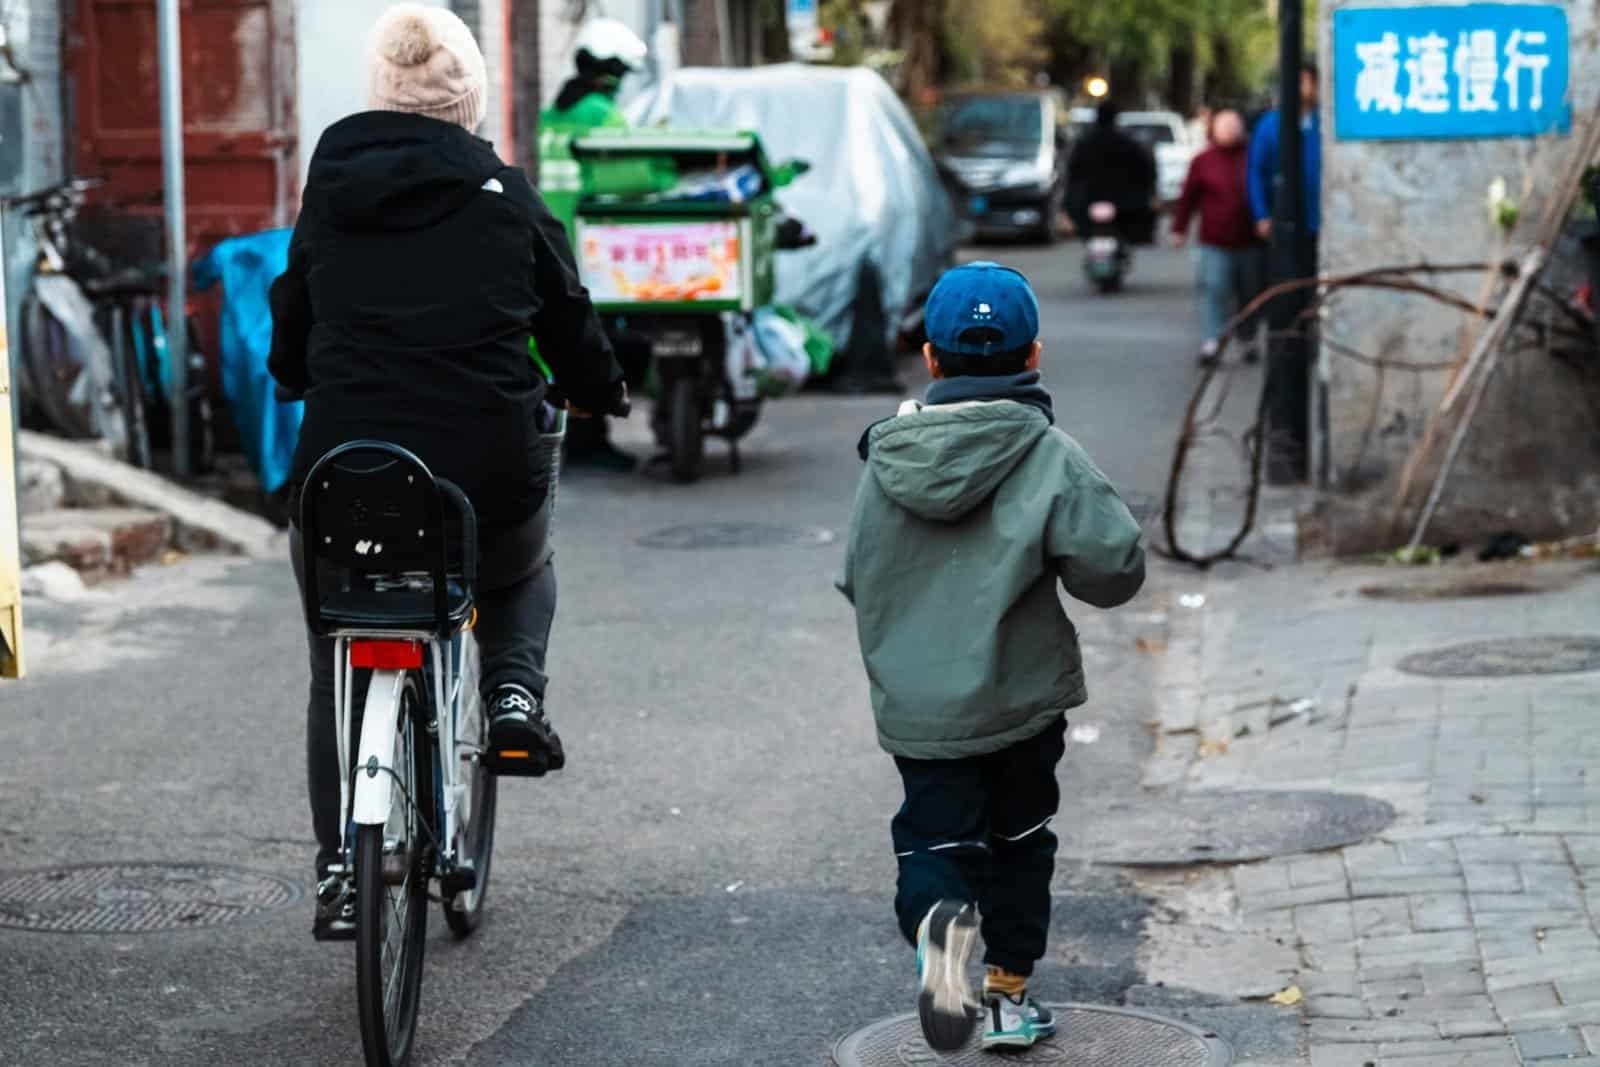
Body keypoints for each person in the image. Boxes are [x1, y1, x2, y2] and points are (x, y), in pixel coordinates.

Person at [268, 3, 630, 939]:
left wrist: (296, 371)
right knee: (521, 566)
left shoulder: (328, 193)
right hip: (482, 477)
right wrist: (602, 389)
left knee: (329, 659)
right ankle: (512, 689)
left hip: (346, 478)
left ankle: (339, 869)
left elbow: (293, 320)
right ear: (468, 97)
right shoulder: (505, 196)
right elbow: (568, 316)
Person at [836, 262, 1147, 1052]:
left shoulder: (887, 458)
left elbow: (857, 575)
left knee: (932, 841)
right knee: (1020, 842)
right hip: (1020, 699)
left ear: (931, 358)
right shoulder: (1048, 453)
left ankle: (942, 926)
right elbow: (1115, 569)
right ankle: (1009, 999)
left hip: (920, 709)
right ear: (1033, 354)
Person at [538, 17, 650, 473]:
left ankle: (578, 437)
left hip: (555, 235)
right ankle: (590, 440)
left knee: (563, 338)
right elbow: (629, 175)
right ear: (611, 70)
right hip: (595, 242)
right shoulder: (599, 113)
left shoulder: (555, 110)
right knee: (594, 341)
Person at [1171, 109, 1266, 366]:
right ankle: (1212, 340)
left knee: (1249, 291)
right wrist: (1180, 228)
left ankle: (1248, 338)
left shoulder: (1252, 157)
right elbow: (1188, 197)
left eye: (1233, 127)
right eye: (1224, 127)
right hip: (1214, 240)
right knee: (1214, 288)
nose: (1229, 132)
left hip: (1249, 240)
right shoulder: (1203, 160)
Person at [1247, 63, 1322, 254]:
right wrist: (1261, 215)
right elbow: (1256, 171)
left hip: (1319, 220)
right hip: (1282, 219)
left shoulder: (1323, 124)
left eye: (1305, 82)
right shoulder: (1270, 125)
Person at [1065, 101, 1158, 245]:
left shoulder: (1084, 144)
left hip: (1090, 201)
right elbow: (1146, 171)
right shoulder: (1129, 144)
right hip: (1123, 204)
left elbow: (1072, 173)